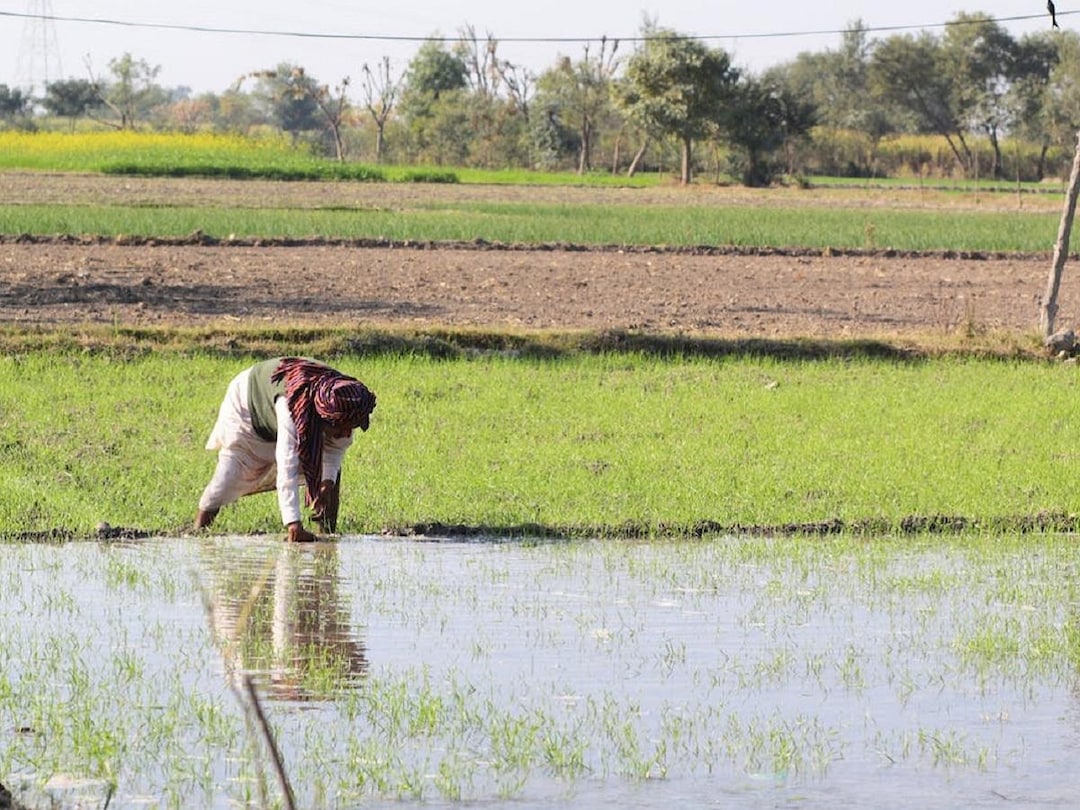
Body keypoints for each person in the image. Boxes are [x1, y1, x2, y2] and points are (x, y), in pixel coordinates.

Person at [195, 357, 376, 542]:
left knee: (330, 478)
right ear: (324, 418)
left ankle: (328, 535)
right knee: (231, 472)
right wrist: (293, 524)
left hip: (298, 408)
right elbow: (287, 465)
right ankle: (197, 533)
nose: (346, 432)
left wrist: (325, 484)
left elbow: (335, 450)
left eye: (351, 426)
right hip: (247, 404)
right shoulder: (293, 408)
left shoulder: (345, 403)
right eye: (341, 427)